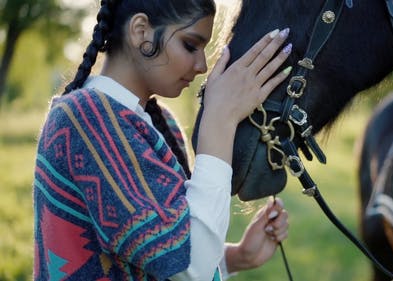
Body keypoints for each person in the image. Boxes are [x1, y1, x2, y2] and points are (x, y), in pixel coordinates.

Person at [33, 0, 293, 280]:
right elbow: (187, 265)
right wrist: (220, 122)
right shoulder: (84, 118)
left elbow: (162, 255)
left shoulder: (160, 122)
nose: (202, 66)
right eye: (190, 45)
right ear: (141, 31)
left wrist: (237, 257)